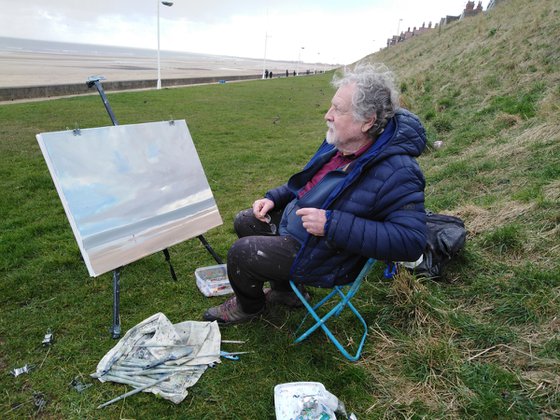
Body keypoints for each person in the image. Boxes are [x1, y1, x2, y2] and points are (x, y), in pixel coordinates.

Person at [203, 63, 427, 325]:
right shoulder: (338, 143)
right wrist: (274, 197)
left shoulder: (398, 171)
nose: (327, 115)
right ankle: (284, 292)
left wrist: (332, 224)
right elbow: (306, 184)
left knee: (242, 253)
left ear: (368, 121)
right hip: (299, 227)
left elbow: (411, 241)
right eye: (331, 106)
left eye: (338, 110)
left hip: (325, 252)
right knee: (245, 220)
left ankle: (249, 307)